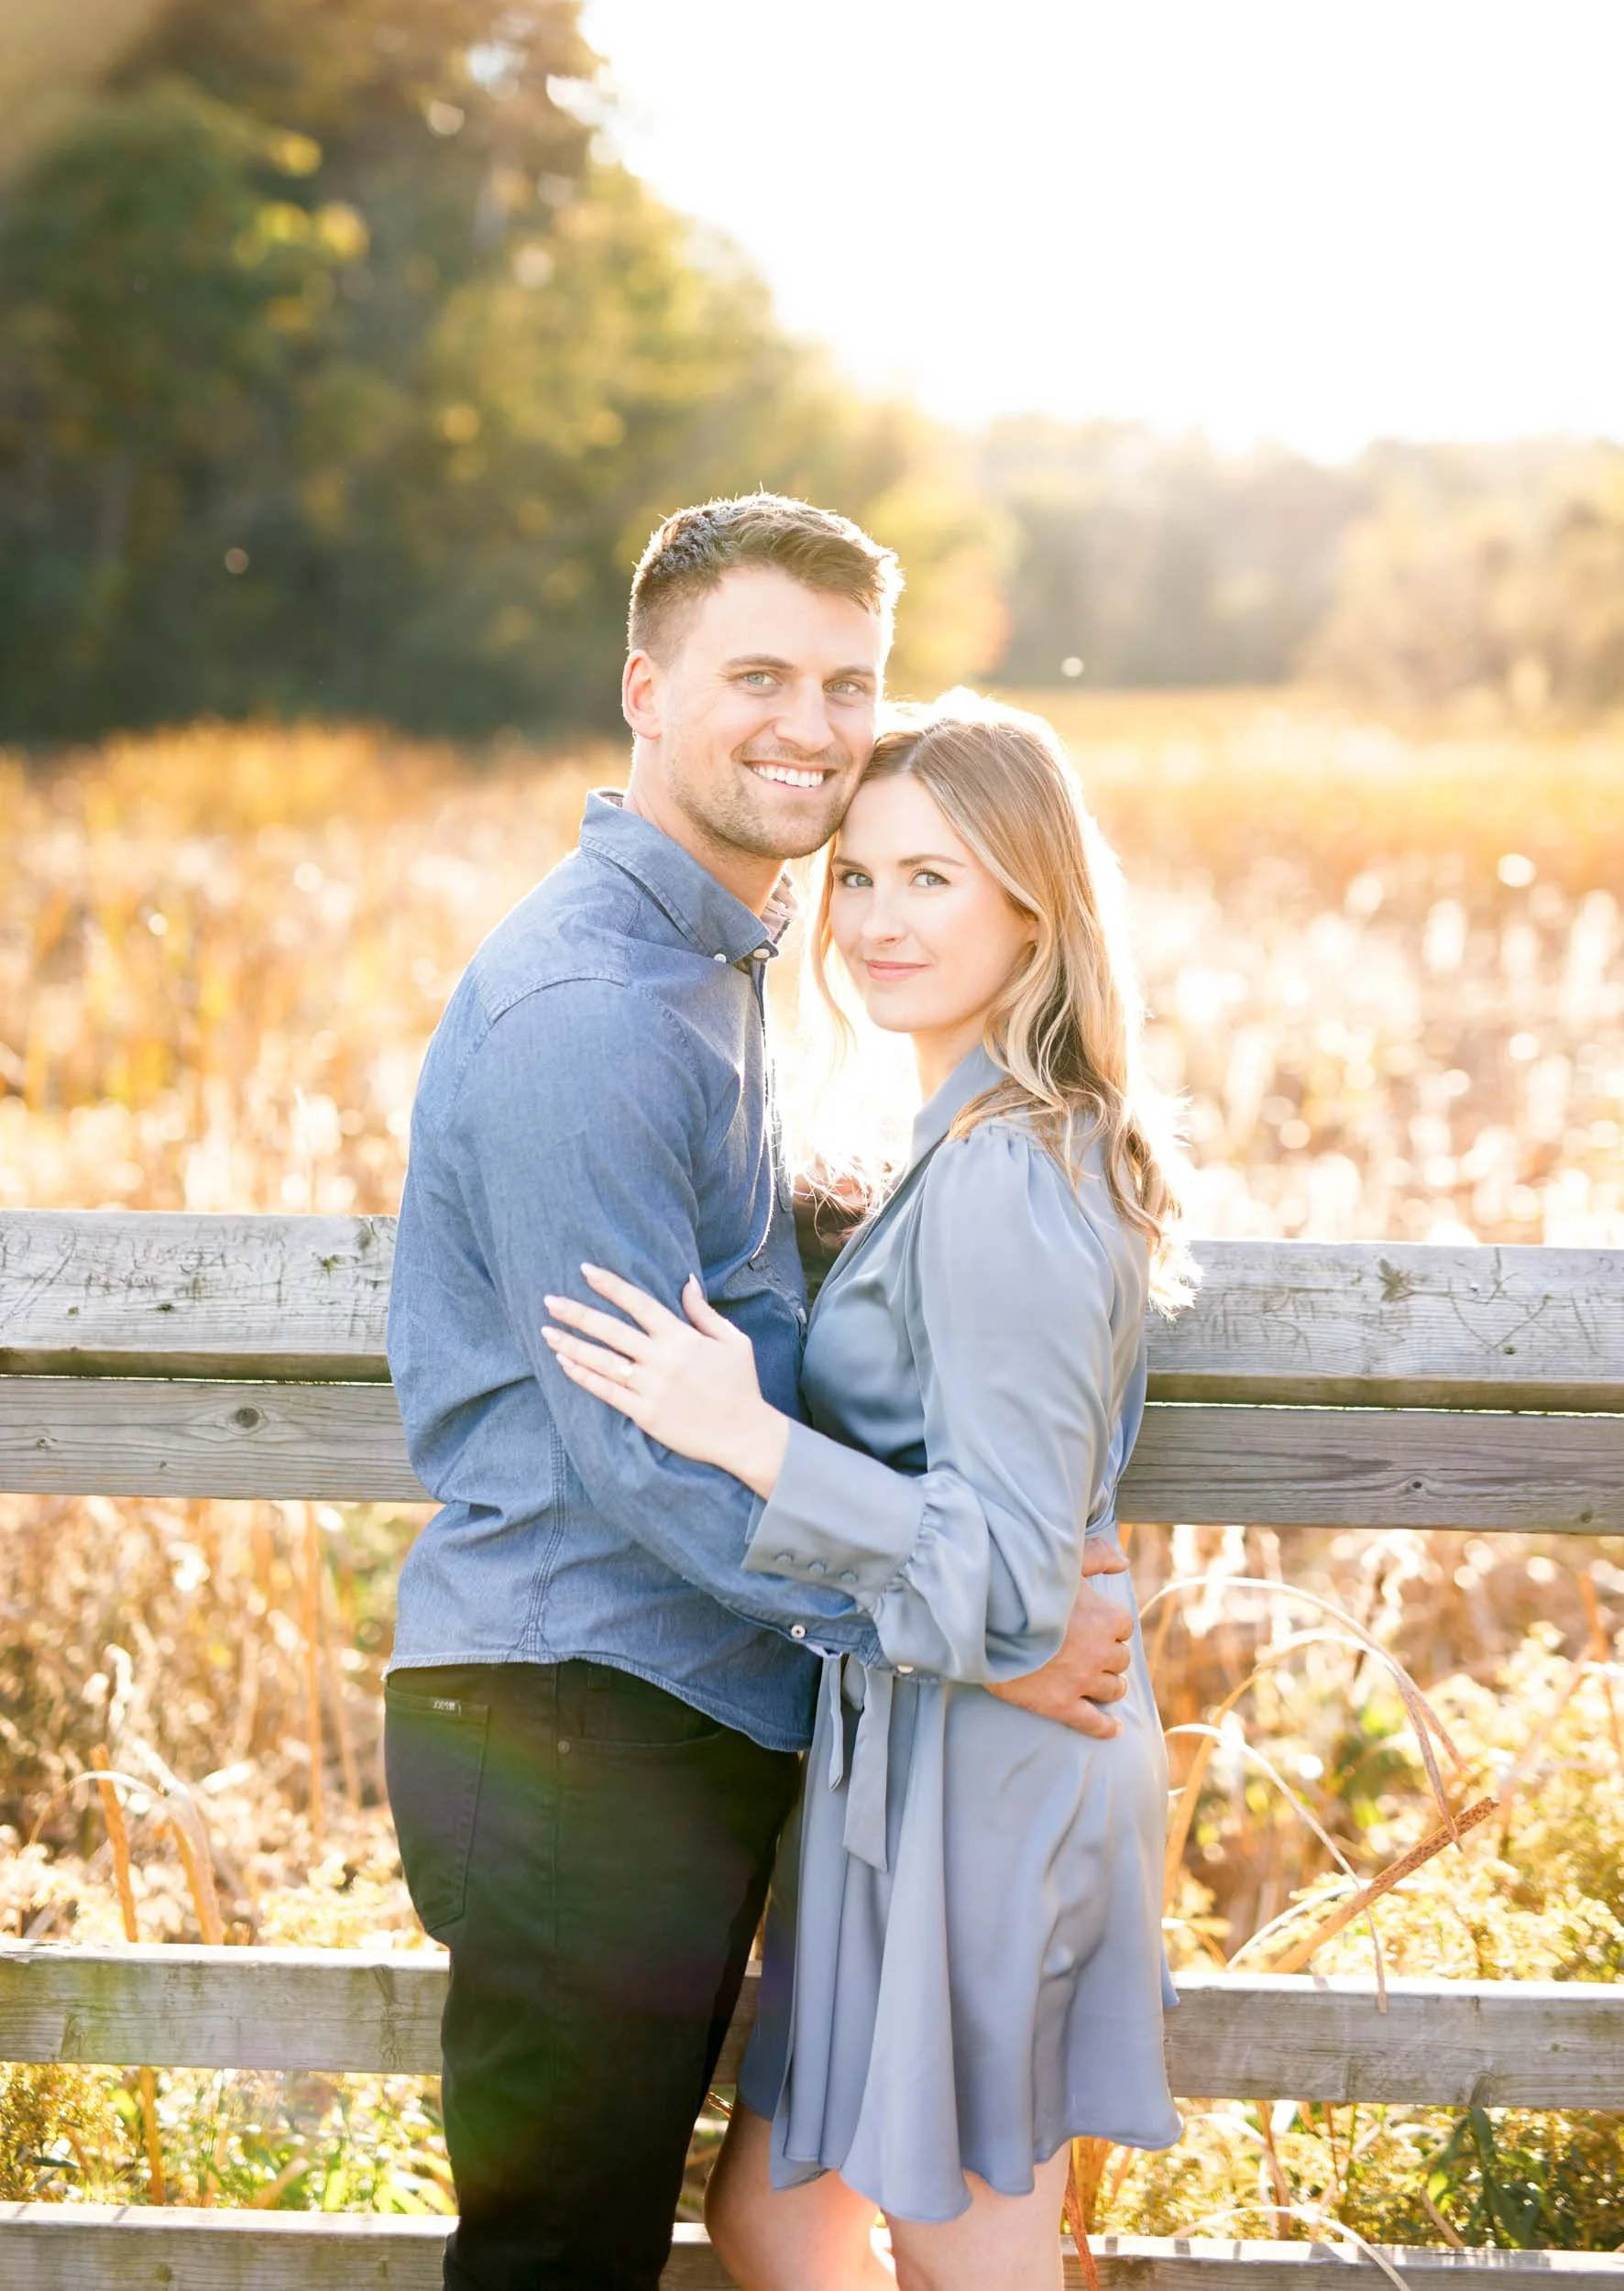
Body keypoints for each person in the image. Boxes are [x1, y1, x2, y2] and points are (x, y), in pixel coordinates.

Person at [384, 498, 1137, 2291]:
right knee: (564, 2245)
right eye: (758, 675)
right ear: (643, 688)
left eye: (846, 681)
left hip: (690, 1707)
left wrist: (830, 1223)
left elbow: (731, 1298)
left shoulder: (713, 976)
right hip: (586, 1704)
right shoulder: (596, 1008)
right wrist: (979, 1632)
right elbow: (644, 1458)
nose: (810, 721)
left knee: (748, 2213)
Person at [543, 692, 1194, 2291]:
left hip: (996, 1760)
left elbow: (1011, 1585)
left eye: (936, 880)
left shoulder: (1010, 1180)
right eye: (859, 877)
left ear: (1035, 905)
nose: (880, 920)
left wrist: (743, 1431)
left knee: (965, 2250)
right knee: (783, 2215)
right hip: (915, 1754)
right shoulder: (959, 1144)